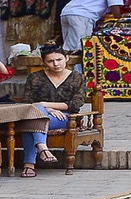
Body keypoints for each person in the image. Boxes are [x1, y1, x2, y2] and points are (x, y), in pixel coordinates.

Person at [19, 46, 84, 178]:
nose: (55, 64)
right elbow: (27, 102)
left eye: (59, 59)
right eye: (50, 61)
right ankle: (42, 148)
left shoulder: (77, 78)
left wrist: (44, 104)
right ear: (44, 62)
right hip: (38, 114)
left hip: (65, 117)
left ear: (66, 58)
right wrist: (48, 109)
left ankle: (29, 165)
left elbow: (75, 104)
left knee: (31, 121)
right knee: (34, 118)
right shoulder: (35, 77)